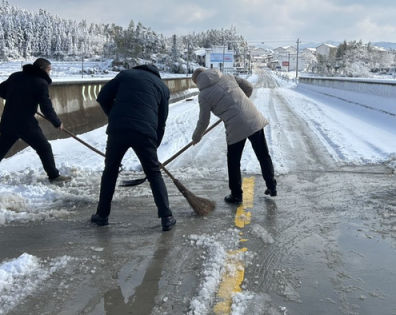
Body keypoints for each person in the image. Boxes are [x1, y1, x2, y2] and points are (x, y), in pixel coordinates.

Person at [92, 64, 175, 231]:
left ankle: (102, 215)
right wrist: (154, 144)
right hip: (145, 133)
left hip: (118, 130)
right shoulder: (162, 88)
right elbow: (161, 121)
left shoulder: (125, 75)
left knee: (110, 171)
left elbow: (102, 97)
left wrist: (115, 116)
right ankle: (166, 217)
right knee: (153, 173)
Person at [0, 58, 71, 190]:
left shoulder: (16, 76)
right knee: (44, 148)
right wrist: (57, 122)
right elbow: (46, 107)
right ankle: (54, 176)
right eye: (49, 70)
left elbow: (0, 90)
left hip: (9, 121)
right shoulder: (41, 83)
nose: (49, 73)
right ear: (42, 69)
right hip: (26, 124)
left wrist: (15, 98)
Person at [191, 67, 277, 205]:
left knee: (233, 161)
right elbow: (248, 87)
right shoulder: (227, 77)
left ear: (197, 81)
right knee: (263, 154)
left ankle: (236, 195)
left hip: (236, 126)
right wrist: (240, 103)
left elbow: (203, 121)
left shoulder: (204, 95)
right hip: (253, 116)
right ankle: (272, 186)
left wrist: (196, 137)